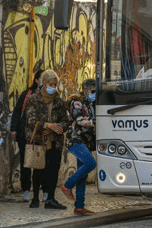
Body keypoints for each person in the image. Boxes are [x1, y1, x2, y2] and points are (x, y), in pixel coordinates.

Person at [25, 70, 69, 209]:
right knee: (38, 170)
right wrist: (46, 125)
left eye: (55, 84)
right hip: (40, 140)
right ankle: (35, 198)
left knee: (53, 170)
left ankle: (50, 198)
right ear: (44, 84)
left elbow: (66, 121)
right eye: (51, 84)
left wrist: (59, 126)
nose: (53, 87)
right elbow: (31, 120)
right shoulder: (34, 99)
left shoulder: (59, 102)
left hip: (55, 141)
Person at [10, 70, 48, 202]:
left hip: (41, 134)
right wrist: (13, 129)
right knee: (25, 162)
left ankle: (42, 190)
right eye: (42, 78)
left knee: (41, 162)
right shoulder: (27, 94)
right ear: (37, 80)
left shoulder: (49, 95)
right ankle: (26, 189)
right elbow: (17, 111)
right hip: (24, 133)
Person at [61, 78, 97, 215]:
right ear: (85, 90)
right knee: (90, 163)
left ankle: (79, 207)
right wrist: (98, 120)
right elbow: (79, 120)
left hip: (85, 141)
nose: (94, 94)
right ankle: (67, 185)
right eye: (92, 91)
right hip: (75, 140)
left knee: (83, 175)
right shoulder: (76, 102)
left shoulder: (91, 104)